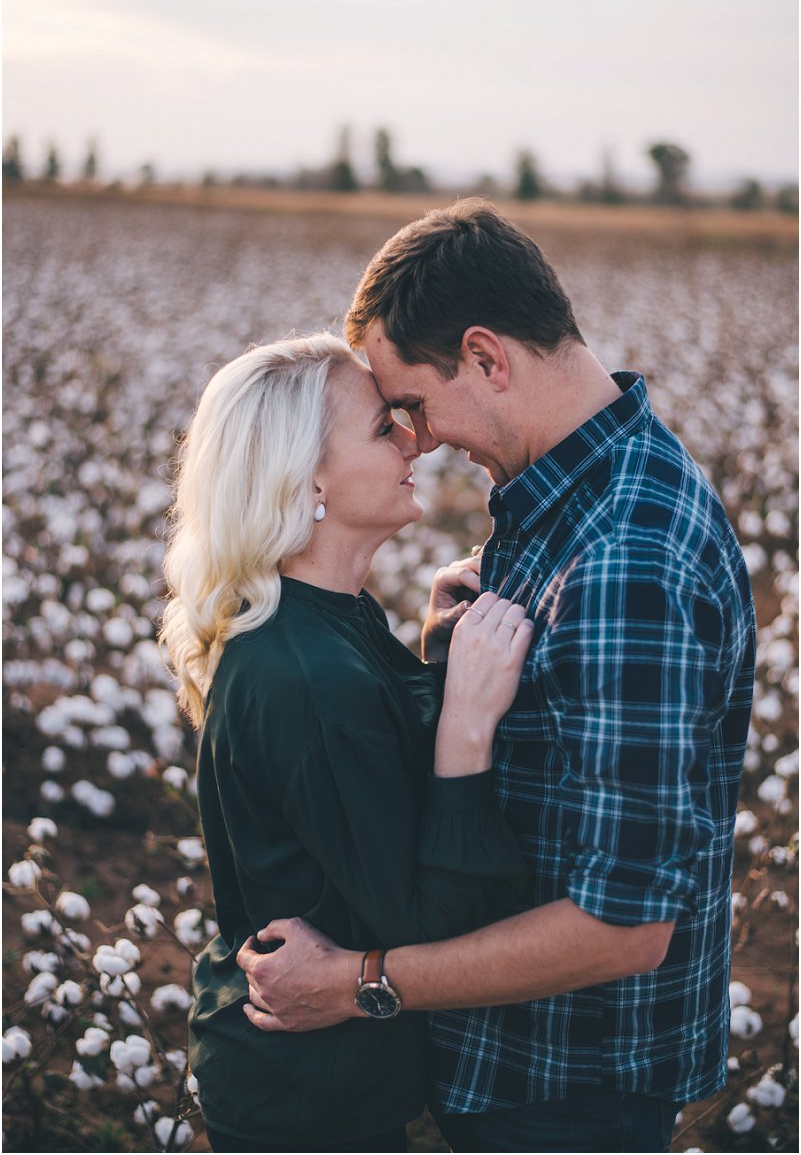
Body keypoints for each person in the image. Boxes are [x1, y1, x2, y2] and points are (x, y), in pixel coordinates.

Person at [237, 201, 757, 1154]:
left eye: (414, 405)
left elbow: (622, 926)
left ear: (486, 357)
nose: (421, 441)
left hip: (564, 1084)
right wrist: (448, 666)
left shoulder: (623, 559)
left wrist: (359, 981)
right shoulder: (569, 496)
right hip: (527, 1062)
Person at [159, 332, 535, 1153]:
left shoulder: (329, 618)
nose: (414, 440)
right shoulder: (307, 676)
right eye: (381, 428)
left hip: (316, 1083)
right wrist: (467, 720)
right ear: (307, 479)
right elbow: (424, 925)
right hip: (308, 1108)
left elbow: (374, 790)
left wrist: (435, 658)